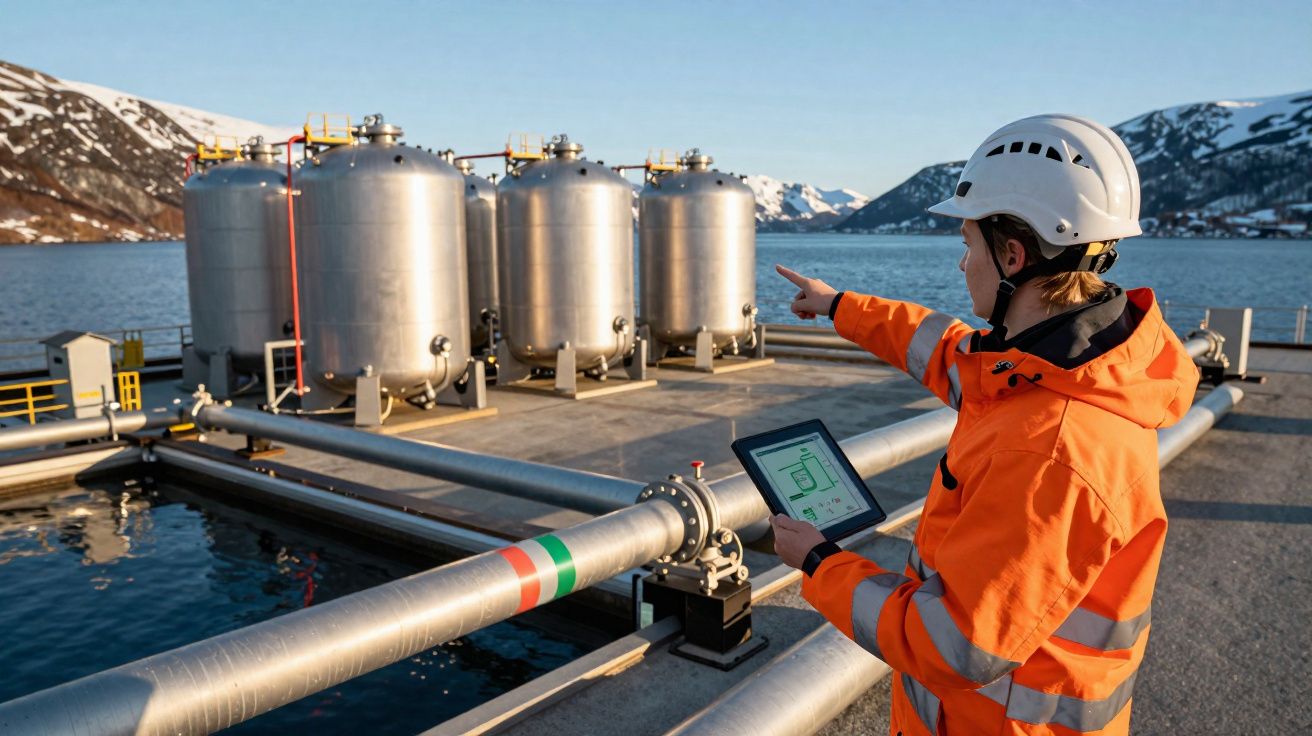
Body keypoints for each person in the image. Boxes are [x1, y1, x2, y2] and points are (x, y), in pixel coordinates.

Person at [770, 114, 1200, 735]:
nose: (961, 264)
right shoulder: (1056, 368)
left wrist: (818, 563)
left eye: (968, 245)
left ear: (1013, 256)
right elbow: (947, 352)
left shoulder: (1050, 449)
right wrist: (840, 306)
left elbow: (954, 646)